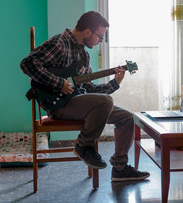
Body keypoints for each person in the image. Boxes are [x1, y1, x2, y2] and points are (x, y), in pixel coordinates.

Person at [20, 11, 150, 182]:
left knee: (127, 118)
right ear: (88, 31)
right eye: (100, 36)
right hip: (58, 105)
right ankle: (83, 145)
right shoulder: (59, 43)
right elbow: (27, 64)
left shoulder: (84, 55)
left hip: (79, 101)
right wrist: (59, 83)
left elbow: (89, 89)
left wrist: (115, 83)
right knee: (105, 102)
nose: (100, 41)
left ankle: (120, 168)